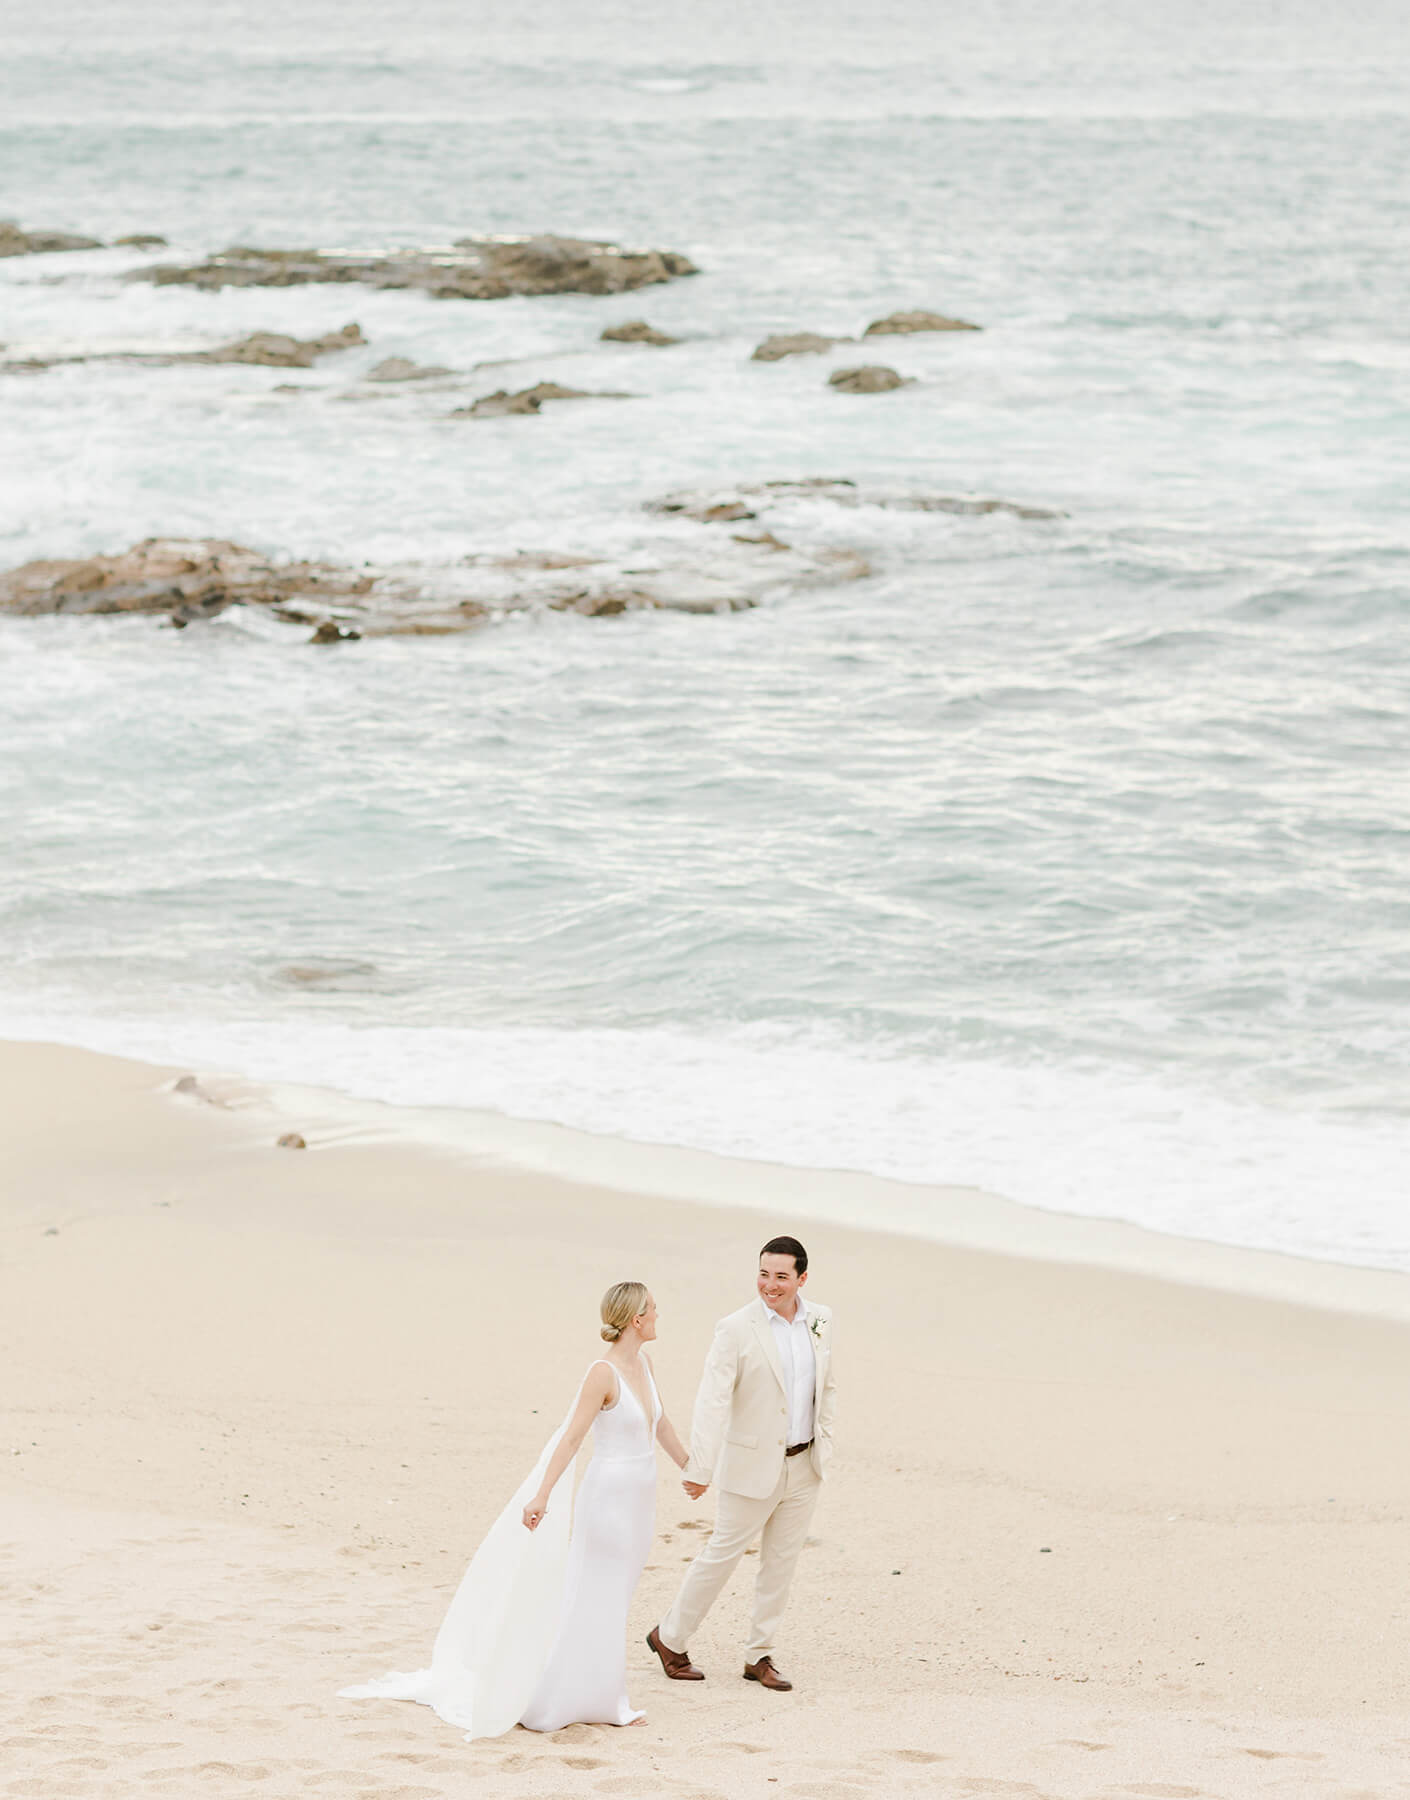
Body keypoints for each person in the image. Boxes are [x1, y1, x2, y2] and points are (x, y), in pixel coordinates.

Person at [340, 1281, 690, 1739]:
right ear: (636, 1320)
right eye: (654, 1310)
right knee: (591, 1593)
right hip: (607, 1499)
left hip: (641, 1499)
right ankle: (555, 1700)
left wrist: (689, 1466)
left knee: (617, 1596)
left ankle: (603, 1697)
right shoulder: (601, 1374)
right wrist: (542, 1494)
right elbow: (571, 1438)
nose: (660, 1315)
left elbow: (658, 1422)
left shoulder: (644, 1363)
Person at [646, 1236, 835, 1693]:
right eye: (764, 1274)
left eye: (781, 1276)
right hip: (750, 1464)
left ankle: (759, 1655)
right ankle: (669, 1638)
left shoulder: (822, 1321)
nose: (770, 1285)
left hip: (804, 1464)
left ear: (801, 1279)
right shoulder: (735, 1328)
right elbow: (712, 1400)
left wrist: (825, 1443)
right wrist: (699, 1467)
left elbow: (826, 1386)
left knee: (781, 1564)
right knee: (721, 1555)